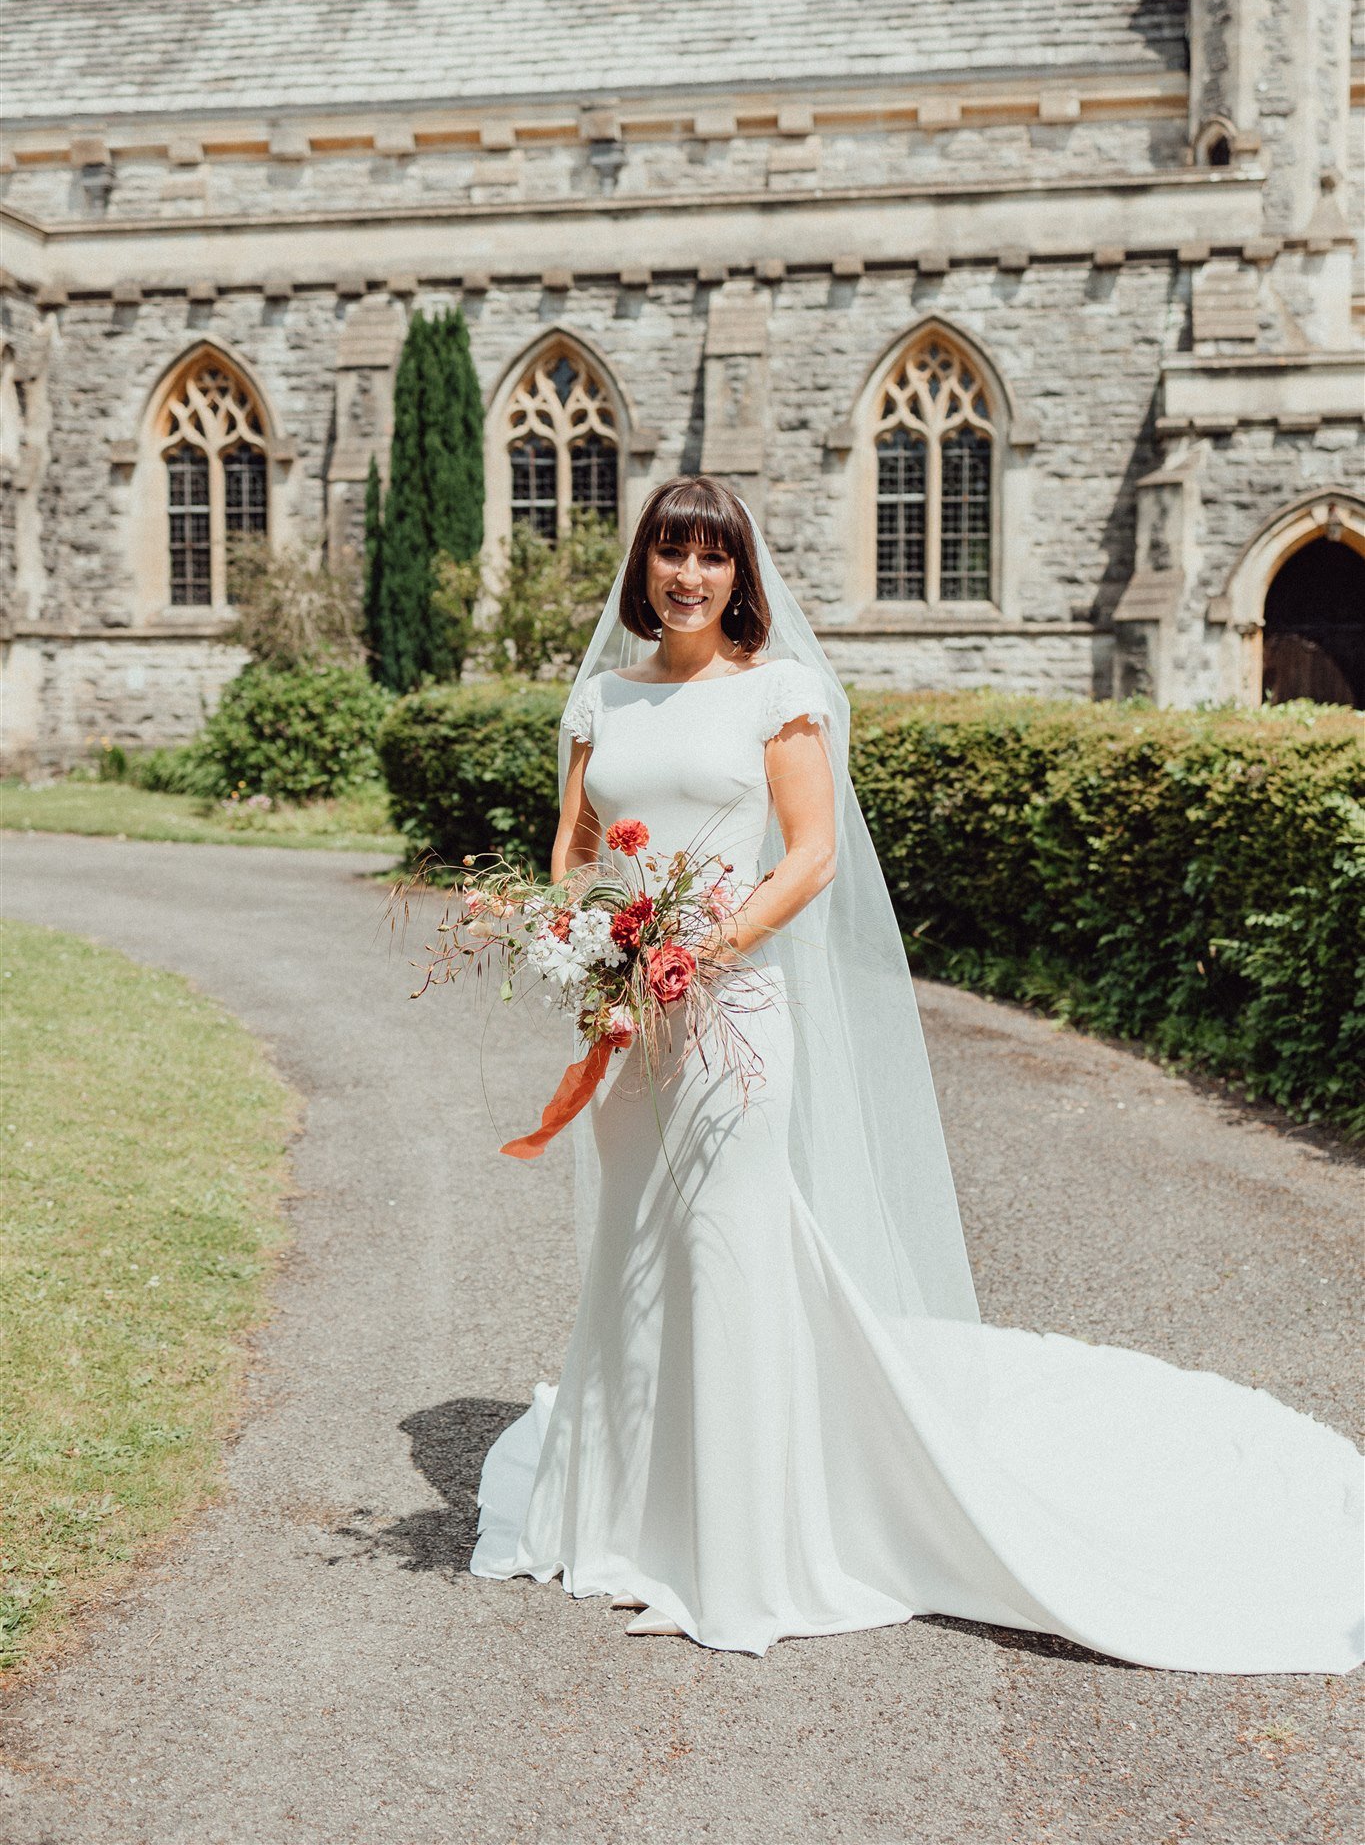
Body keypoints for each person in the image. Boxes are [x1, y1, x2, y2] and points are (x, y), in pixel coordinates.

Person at [470, 476, 1363, 1669]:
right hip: (628, 1025)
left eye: (711, 556)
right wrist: (581, 937)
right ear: (641, 568)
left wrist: (700, 950)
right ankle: (627, 1514)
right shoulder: (598, 699)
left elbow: (811, 855)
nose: (688, 575)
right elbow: (575, 847)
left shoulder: (777, 695)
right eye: (670, 553)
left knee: (731, 1256)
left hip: (730, 1015)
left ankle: (736, 1548)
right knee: (634, 1244)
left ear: (740, 575)